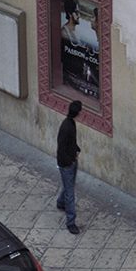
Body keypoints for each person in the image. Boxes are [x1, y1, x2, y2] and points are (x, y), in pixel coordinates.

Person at [55, 99, 82, 234]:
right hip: (67, 164)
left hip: (70, 161)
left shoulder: (70, 123)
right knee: (70, 193)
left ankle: (60, 203)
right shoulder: (66, 126)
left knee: (68, 185)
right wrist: (69, 162)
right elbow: (61, 148)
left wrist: (76, 149)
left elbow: (71, 142)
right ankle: (70, 222)